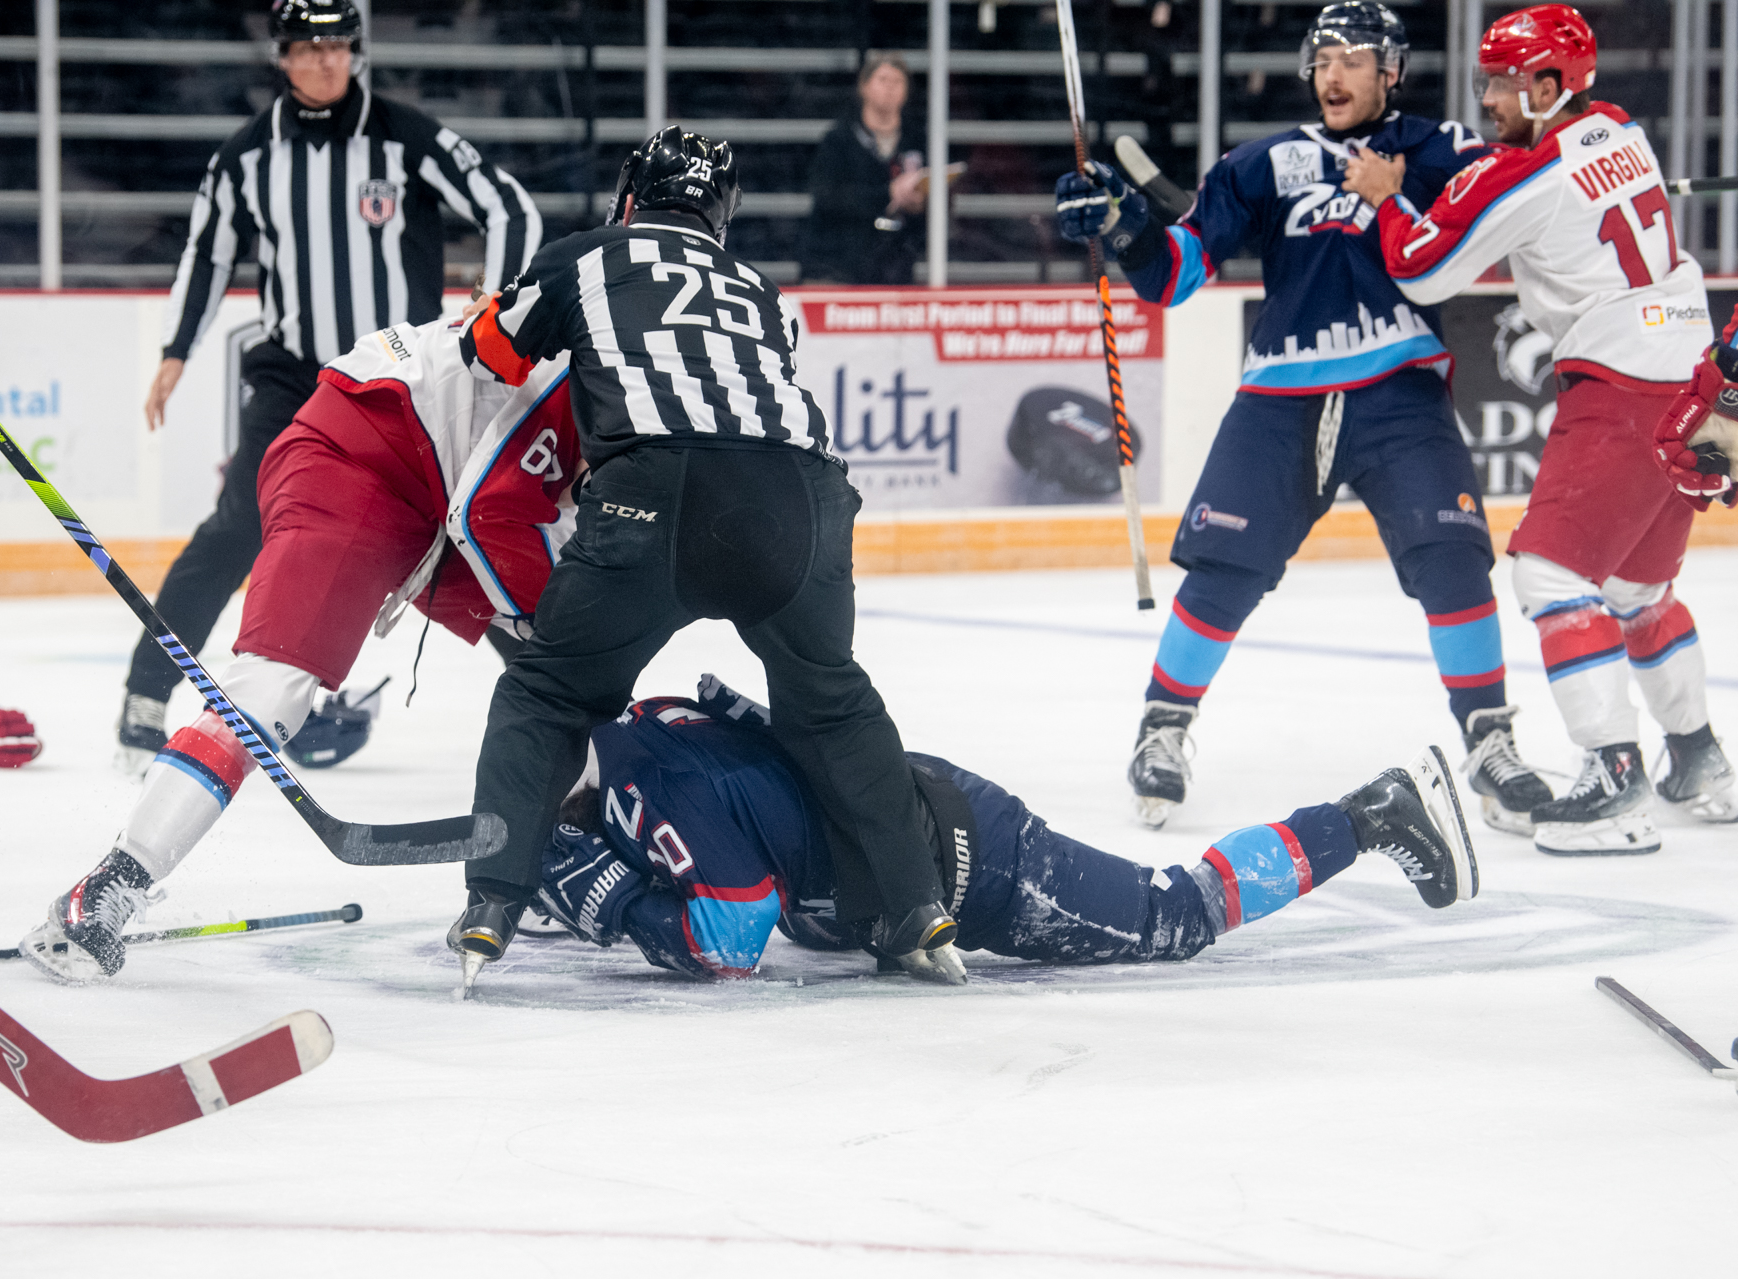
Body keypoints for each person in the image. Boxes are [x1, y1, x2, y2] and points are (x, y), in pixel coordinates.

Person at [450, 127, 963, 997]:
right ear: (722, 216)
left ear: (628, 197)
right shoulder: (760, 289)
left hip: (661, 492)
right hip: (804, 496)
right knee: (831, 703)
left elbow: (490, 352)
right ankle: (914, 907)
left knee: (549, 692)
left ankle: (494, 899)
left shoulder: (588, 254)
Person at [1053, 1, 1553, 837]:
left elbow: (1519, 196)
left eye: (1355, 58)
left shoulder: (1442, 151)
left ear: (1392, 71)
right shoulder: (1260, 165)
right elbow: (1175, 277)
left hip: (1401, 393)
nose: (1334, 73)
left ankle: (1490, 740)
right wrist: (1128, 227)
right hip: (1281, 396)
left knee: (1453, 561)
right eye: (1323, 57)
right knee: (1223, 569)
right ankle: (1164, 726)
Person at [19, 314, 579, 981]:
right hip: (366, 449)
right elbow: (502, 511)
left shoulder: (643, 371)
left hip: (452, 487)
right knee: (272, 685)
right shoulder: (595, 376)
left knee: (570, 671)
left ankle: (568, 852)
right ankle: (109, 885)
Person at [1346, 4, 1736, 851]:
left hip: (1623, 381)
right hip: (1697, 376)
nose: (1487, 96)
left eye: (1503, 82)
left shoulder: (1527, 174)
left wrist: (1385, 199)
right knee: (1638, 593)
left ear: (1552, 86)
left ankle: (1613, 779)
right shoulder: (1618, 126)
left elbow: (1426, 271)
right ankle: (1699, 756)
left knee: (1553, 577)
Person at [116, 0, 540, 777]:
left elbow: (509, 206)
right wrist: (177, 351)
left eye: (337, 47)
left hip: (408, 387)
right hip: (297, 386)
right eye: (307, 49)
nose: (322, 62)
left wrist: (499, 299)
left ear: (356, 52)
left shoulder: (406, 135)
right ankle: (146, 695)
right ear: (280, 56)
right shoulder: (245, 159)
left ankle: (556, 696)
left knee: (459, 541)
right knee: (238, 529)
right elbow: (207, 257)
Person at [531, 676, 1477, 981]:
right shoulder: (632, 742)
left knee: (1172, 915)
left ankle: (1371, 813)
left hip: (970, 863)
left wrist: (611, 906)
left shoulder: (644, 783)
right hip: (907, 836)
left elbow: (732, 934)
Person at [801, 52, 927, 285]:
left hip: (894, 269)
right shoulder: (838, 141)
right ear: (864, 87)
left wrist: (919, 203)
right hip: (837, 267)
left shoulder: (917, 140)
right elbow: (828, 196)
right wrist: (887, 194)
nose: (890, 88)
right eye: (883, 80)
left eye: (898, 81)